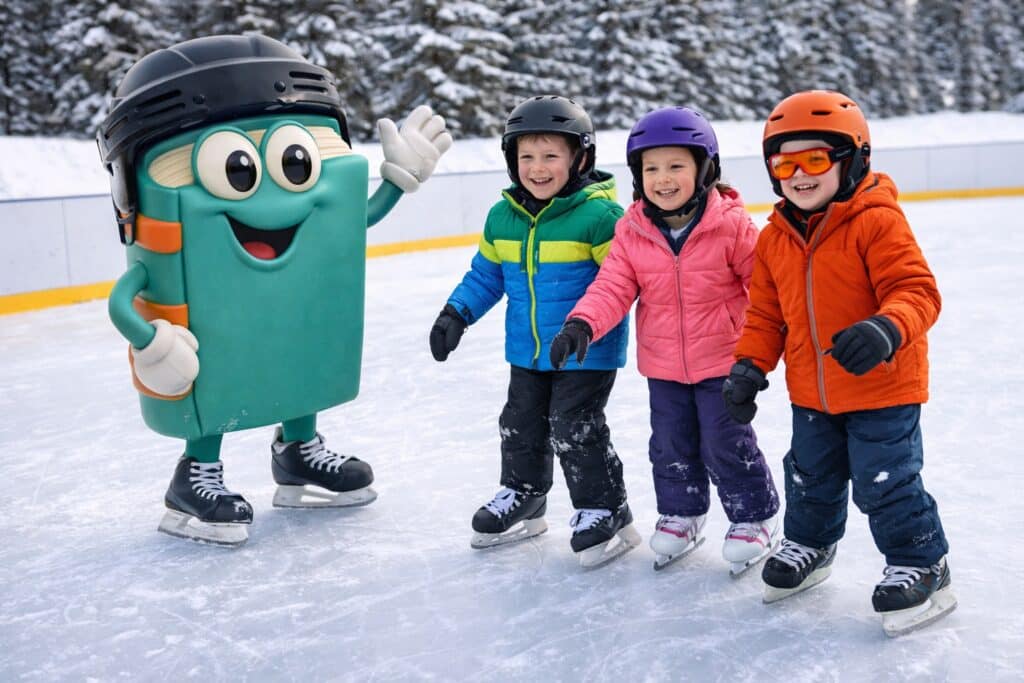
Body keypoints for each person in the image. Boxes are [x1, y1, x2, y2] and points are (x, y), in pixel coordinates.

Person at [723, 89, 955, 635]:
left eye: (815, 159)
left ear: (853, 160)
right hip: (811, 392)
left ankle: (924, 562)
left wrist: (885, 328)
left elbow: (918, 292)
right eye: (785, 163)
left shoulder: (877, 221)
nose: (799, 175)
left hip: (883, 388)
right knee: (809, 475)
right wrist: (748, 367)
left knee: (886, 481)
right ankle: (810, 544)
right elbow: (765, 316)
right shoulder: (775, 239)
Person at [551, 107, 780, 574]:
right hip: (664, 366)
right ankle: (683, 512)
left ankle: (754, 516)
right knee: (670, 444)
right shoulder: (633, 230)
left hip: (723, 363)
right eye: (651, 168)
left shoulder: (731, 225)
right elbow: (612, 286)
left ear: (705, 170)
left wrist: (770, 350)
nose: (663, 178)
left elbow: (766, 289)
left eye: (676, 166)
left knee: (725, 441)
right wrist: (582, 324)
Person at [429, 95, 639, 568]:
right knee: (518, 422)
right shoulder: (502, 217)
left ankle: (605, 506)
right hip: (526, 351)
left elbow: (621, 283)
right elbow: (486, 275)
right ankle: (524, 493)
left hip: (587, 351)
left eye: (550, 156)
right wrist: (455, 314)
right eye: (526, 156)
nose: (537, 168)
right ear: (510, 160)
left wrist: (584, 328)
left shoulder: (600, 217)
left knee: (574, 427)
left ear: (579, 158)